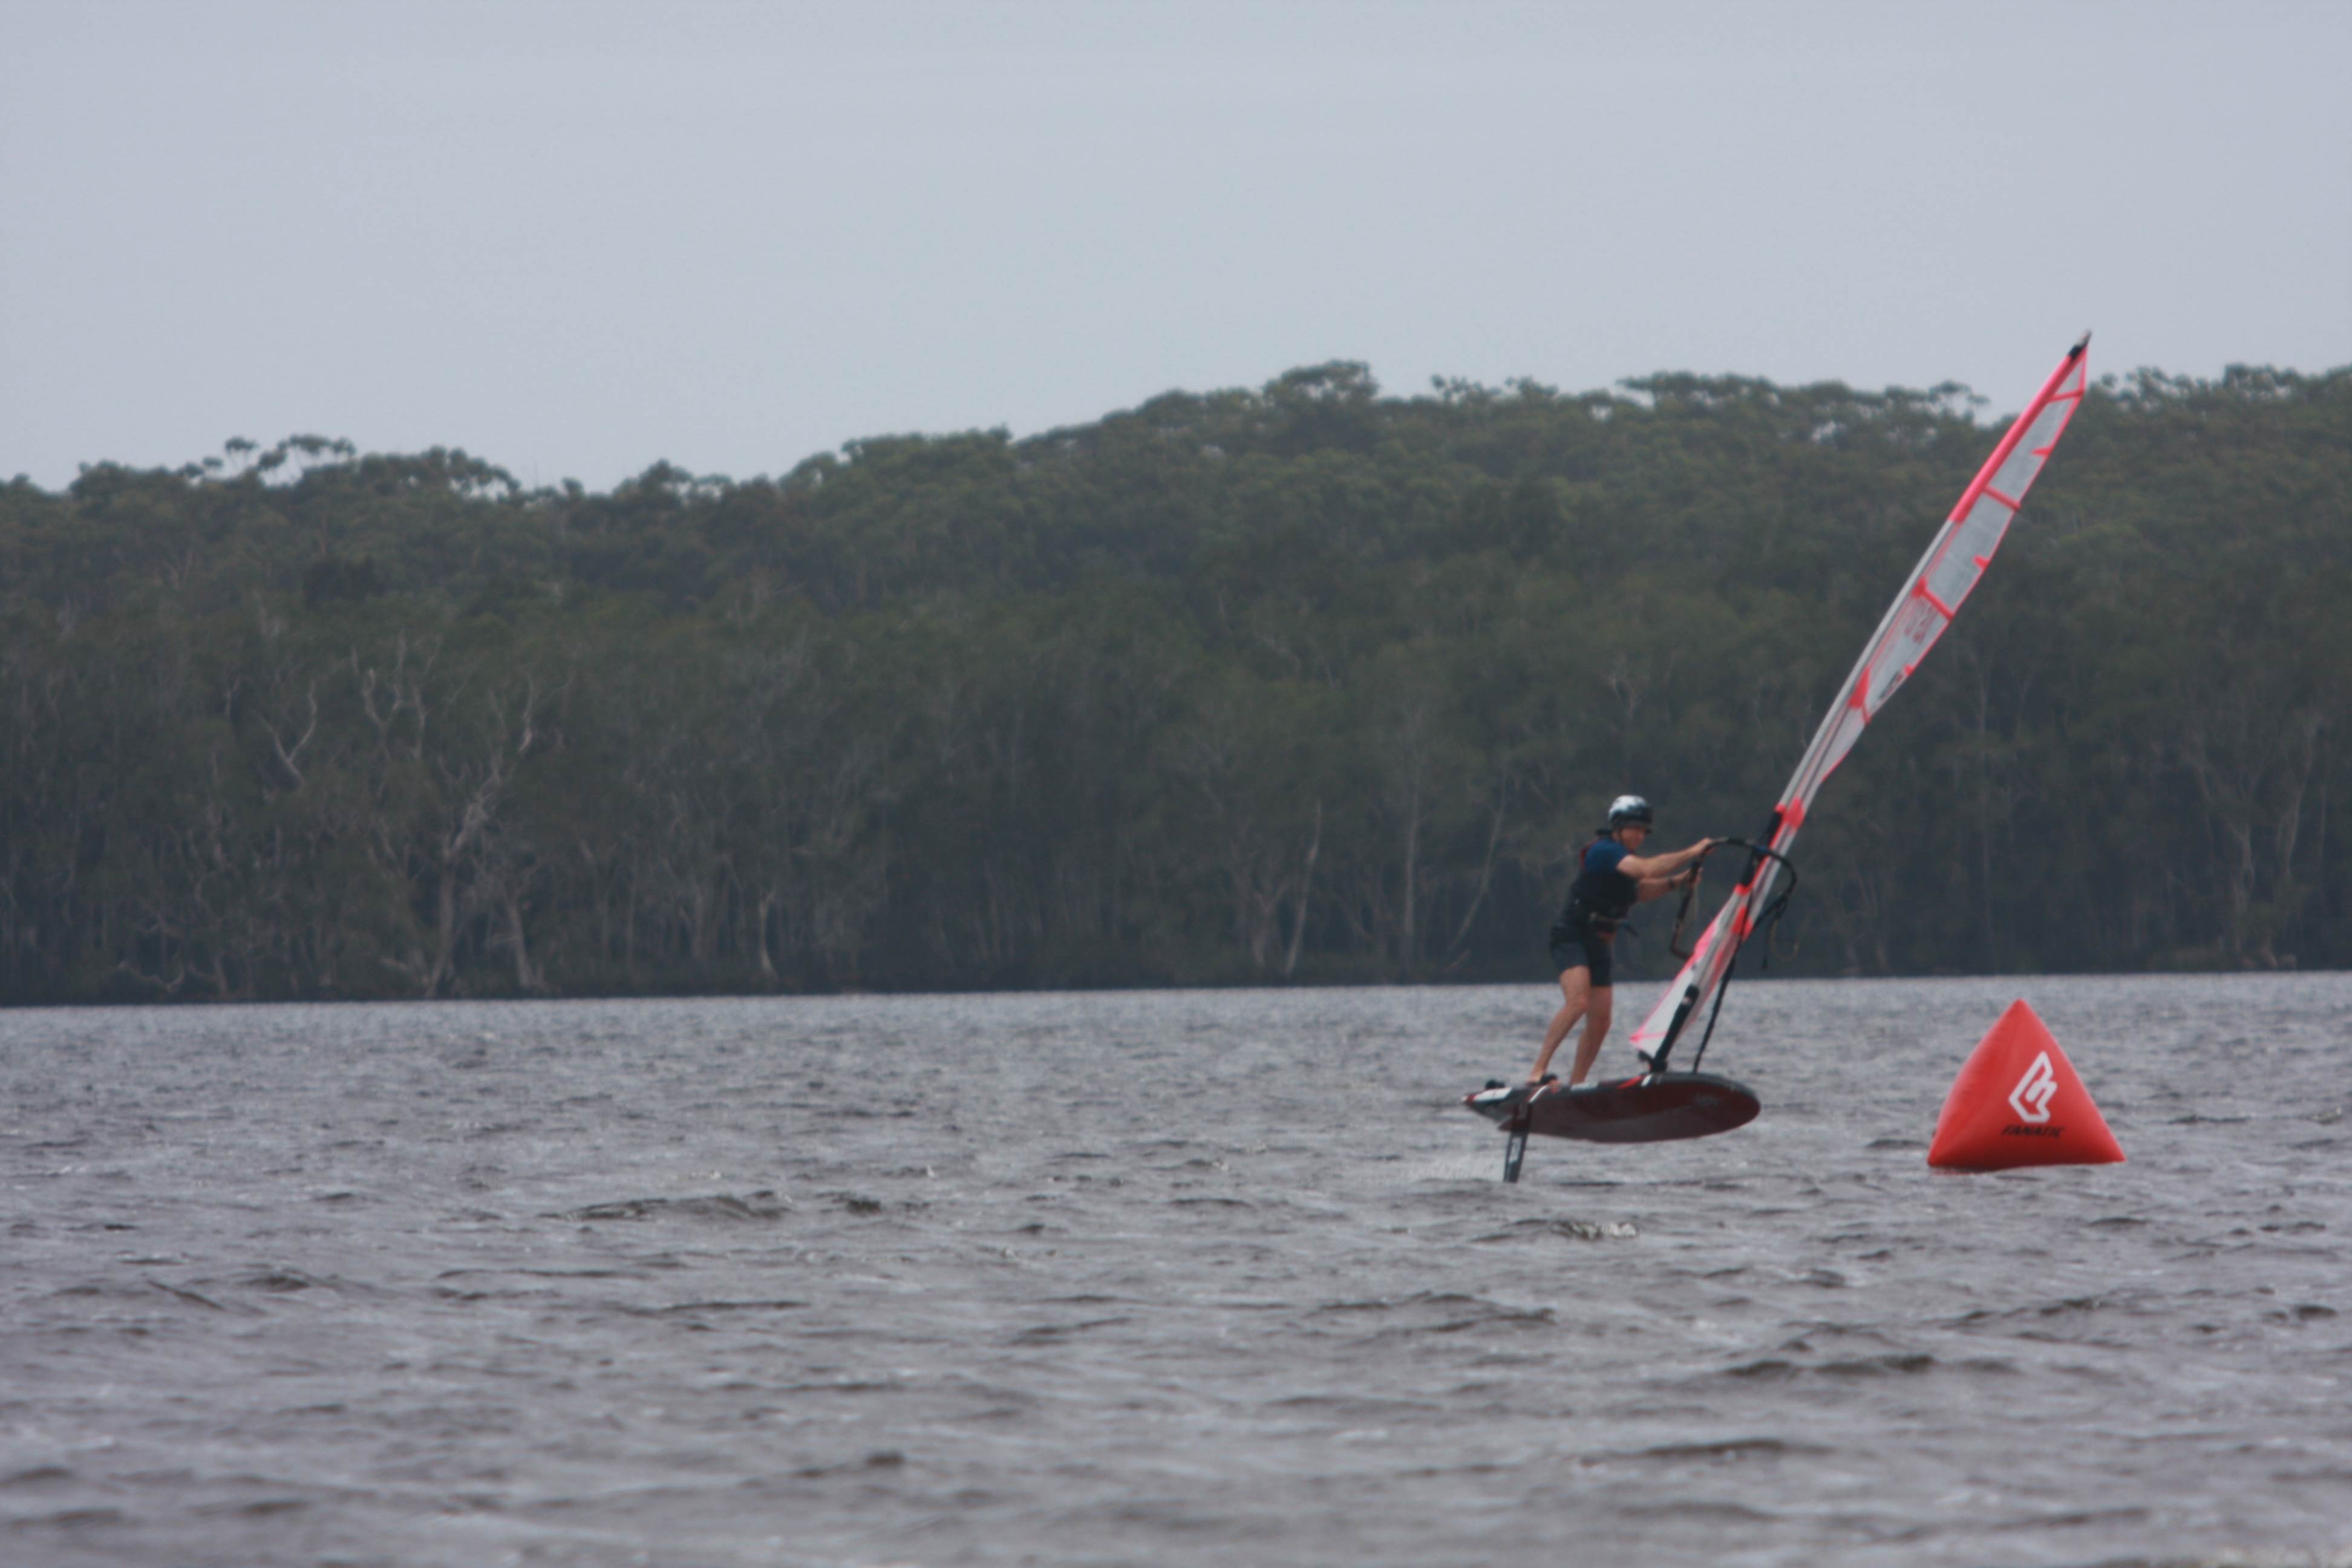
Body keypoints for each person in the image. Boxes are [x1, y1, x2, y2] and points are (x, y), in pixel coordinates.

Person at [1527, 795, 1713, 1092]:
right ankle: (1538, 1070)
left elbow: (1640, 891)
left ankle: (1577, 1084)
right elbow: (1645, 870)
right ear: (1617, 827)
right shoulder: (1604, 851)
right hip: (1572, 935)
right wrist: (1693, 852)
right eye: (1633, 829)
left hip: (1600, 942)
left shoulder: (1623, 861)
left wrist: (1679, 881)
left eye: (1643, 831)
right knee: (1578, 1002)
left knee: (1601, 1021)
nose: (1639, 835)